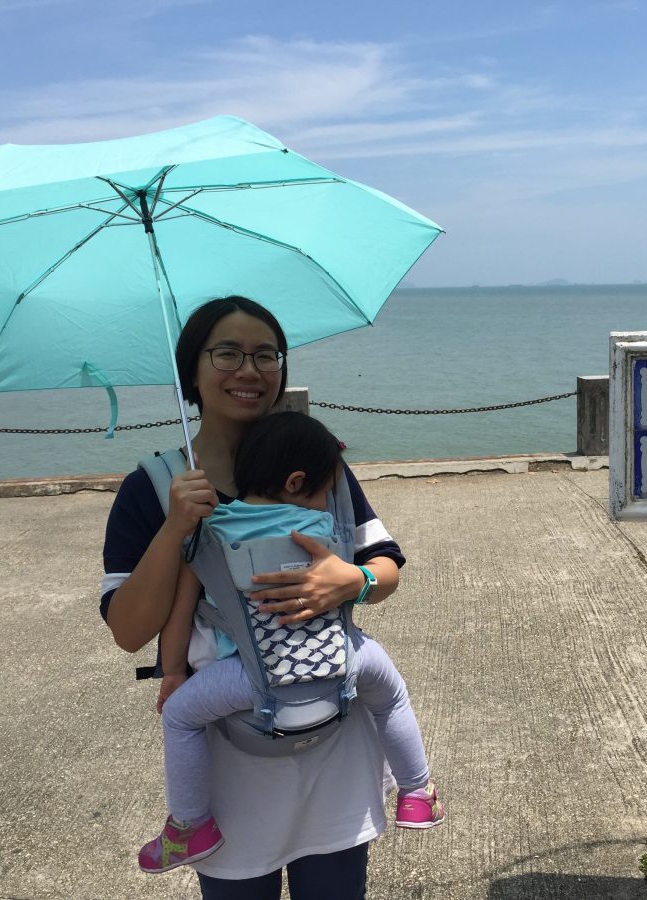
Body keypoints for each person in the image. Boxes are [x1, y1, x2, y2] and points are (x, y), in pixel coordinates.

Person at [101, 296, 422, 899]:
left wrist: (355, 580)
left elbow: (386, 566)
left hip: (335, 738)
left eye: (266, 355)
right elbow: (127, 630)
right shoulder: (152, 487)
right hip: (232, 760)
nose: (249, 370)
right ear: (191, 370)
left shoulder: (319, 464)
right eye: (227, 353)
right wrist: (174, 529)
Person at [138, 411, 443, 875]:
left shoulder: (209, 532)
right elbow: (379, 568)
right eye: (325, 491)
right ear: (297, 482)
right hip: (341, 660)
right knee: (393, 696)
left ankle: (190, 825)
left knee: (181, 717)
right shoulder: (323, 526)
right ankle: (417, 793)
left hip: (250, 677)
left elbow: (180, 615)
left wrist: (175, 672)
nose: (327, 500)